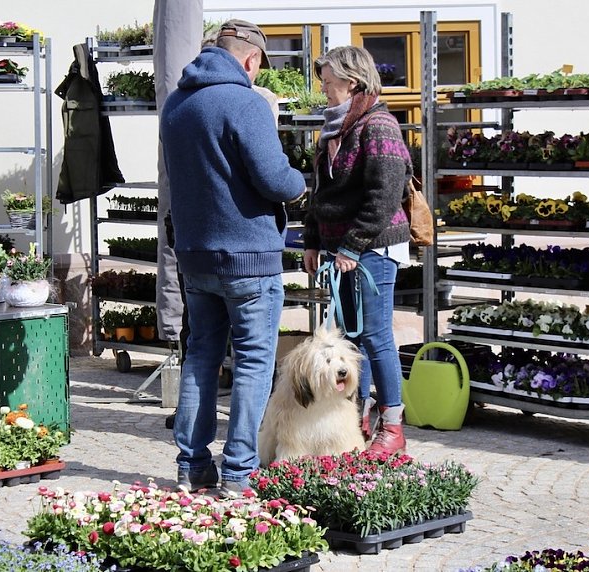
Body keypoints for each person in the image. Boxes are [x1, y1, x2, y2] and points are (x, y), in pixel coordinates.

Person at [160, 19, 306, 496]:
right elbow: (275, 180)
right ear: (251, 60)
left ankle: (192, 465)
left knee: (201, 356)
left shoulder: (176, 105)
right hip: (249, 256)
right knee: (252, 361)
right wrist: (301, 182)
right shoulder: (246, 102)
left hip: (195, 256)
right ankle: (240, 472)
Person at [302, 45, 412, 455]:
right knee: (349, 339)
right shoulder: (334, 127)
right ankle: (354, 420)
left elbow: (384, 197)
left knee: (375, 335)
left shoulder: (378, 125)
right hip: (342, 250)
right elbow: (320, 192)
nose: (325, 90)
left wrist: (351, 245)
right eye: (324, 82)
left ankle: (393, 427)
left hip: (374, 248)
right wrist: (313, 240)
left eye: (330, 83)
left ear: (353, 82)